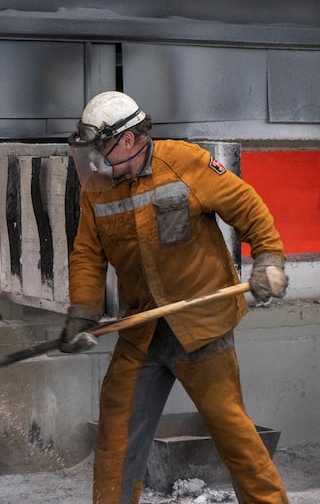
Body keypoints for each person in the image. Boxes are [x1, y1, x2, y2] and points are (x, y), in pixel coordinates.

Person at [61, 91, 289, 503]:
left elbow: (248, 208)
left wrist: (269, 258)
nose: (95, 159)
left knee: (234, 436)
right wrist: (82, 309)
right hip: (142, 330)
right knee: (116, 439)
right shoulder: (96, 189)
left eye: (101, 147)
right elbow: (88, 254)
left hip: (202, 326)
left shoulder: (186, 163)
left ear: (127, 140)